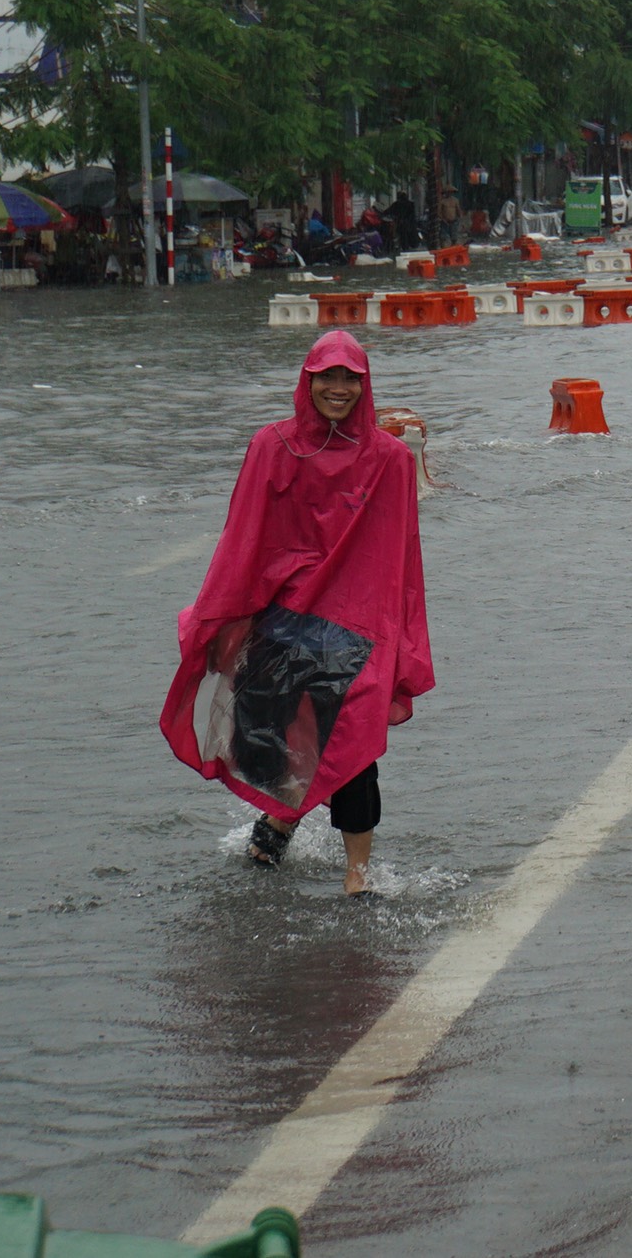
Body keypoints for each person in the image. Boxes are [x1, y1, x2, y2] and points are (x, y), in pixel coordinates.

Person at [160, 331, 431, 896]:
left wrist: (399, 635)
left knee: (354, 751)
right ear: (307, 383)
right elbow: (243, 537)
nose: (338, 389)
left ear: (365, 384)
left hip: (354, 631)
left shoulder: (391, 460)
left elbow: (400, 556)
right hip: (280, 621)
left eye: (350, 378)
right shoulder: (272, 445)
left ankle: (357, 873)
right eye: (326, 377)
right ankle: (285, 815)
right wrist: (218, 614)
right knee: (263, 742)